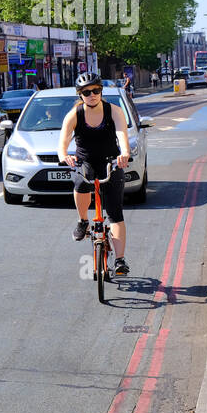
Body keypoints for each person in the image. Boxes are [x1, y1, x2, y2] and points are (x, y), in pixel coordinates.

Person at [59, 73, 132, 277]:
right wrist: (64, 155)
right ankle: (83, 221)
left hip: (111, 160)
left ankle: (119, 260)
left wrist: (124, 153)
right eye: (87, 92)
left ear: (101, 90)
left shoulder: (114, 111)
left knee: (115, 213)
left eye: (96, 90)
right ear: (80, 94)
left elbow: (121, 135)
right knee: (81, 184)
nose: (92, 95)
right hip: (86, 161)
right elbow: (63, 141)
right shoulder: (75, 114)